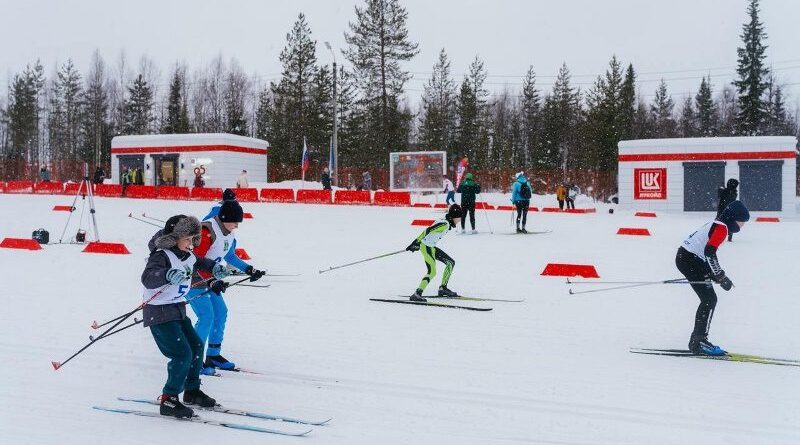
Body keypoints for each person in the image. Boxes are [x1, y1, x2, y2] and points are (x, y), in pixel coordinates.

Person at [141, 215, 230, 418]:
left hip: (178, 309)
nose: (192, 244)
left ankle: (191, 390)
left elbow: (199, 264)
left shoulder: (186, 255)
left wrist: (214, 272)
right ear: (175, 237)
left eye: (193, 239)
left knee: (197, 347)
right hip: (160, 312)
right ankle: (169, 399)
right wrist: (166, 275)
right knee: (182, 354)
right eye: (188, 239)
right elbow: (148, 278)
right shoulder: (161, 255)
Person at [188, 200, 266, 375]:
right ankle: (193, 359)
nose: (237, 226)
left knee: (221, 312)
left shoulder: (228, 233)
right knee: (206, 316)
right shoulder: (207, 231)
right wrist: (211, 281)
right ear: (224, 218)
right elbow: (196, 261)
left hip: (211, 280)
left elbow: (229, 256)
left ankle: (213, 355)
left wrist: (249, 269)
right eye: (235, 222)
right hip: (194, 280)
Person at [676, 200, 749, 356]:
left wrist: (715, 275)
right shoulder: (722, 228)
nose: (742, 226)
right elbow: (710, 252)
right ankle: (699, 341)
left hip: (687, 258)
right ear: (733, 218)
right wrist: (720, 276)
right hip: (690, 259)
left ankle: (697, 341)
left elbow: (705, 253)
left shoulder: (716, 224)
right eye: (742, 221)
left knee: (708, 298)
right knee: (709, 299)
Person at [405, 204, 462, 301]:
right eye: (459, 217)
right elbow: (428, 230)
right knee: (432, 272)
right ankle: (417, 294)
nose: (460, 220)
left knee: (450, 263)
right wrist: (416, 242)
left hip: (431, 246)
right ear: (454, 216)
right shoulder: (445, 224)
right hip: (426, 247)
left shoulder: (447, 220)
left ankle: (443, 288)